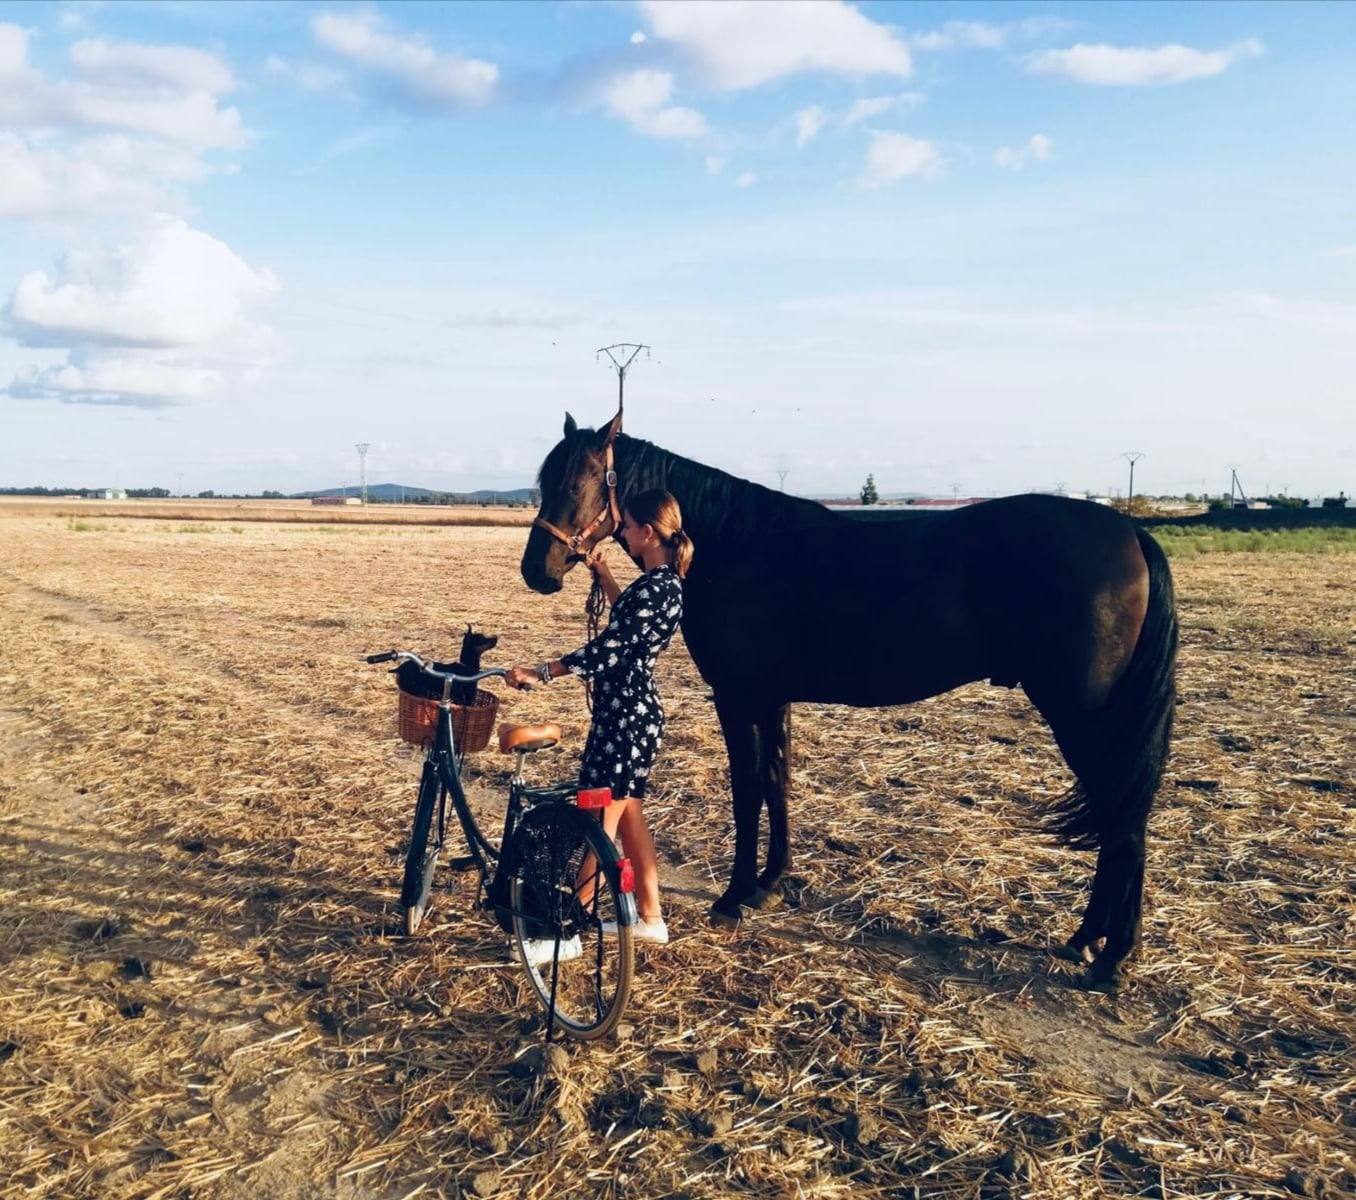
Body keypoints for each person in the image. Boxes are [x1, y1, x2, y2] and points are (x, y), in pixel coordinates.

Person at [506, 488, 693, 962]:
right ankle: (650, 918)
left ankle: (568, 930)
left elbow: (610, 647)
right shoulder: (660, 584)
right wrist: (601, 570)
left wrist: (542, 671)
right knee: (628, 816)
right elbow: (625, 617)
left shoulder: (659, 588)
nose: (624, 536)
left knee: (598, 823)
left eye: (628, 528)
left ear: (648, 532)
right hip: (630, 715)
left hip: (625, 719)